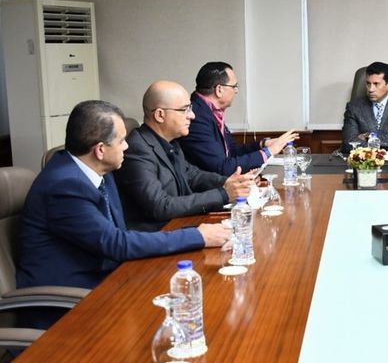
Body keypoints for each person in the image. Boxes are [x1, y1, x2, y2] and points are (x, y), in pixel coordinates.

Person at [15, 100, 230, 328]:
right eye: (121, 141)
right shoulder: (64, 186)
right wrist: (197, 236)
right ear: (100, 150)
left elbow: (121, 233)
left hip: (110, 279)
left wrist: (196, 233)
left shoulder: (100, 170)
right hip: (68, 303)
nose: (127, 147)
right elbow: (116, 243)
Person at [114, 81, 253, 232]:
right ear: (160, 115)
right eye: (184, 110)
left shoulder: (171, 140)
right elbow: (160, 206)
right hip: (159, 234)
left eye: (190, 108)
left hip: (180, 224)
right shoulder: (137, 149)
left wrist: (228, 182)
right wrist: (223, 194)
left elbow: (192, 175)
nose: (192, 116)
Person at [178, 61, 299, 175]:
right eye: (234, 86)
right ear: (219, 90)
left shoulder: (209, 110)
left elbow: (232, 151)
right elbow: (222, 167)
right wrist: (270, 151)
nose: (236, 91)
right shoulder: (196, 117)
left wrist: (263, 144)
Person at [340, 61, 388, 153]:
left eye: (376, 84)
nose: (371, 89)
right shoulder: (354, 108)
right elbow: (349, 143)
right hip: (365, 159)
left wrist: (368, 136)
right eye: (368, 83)